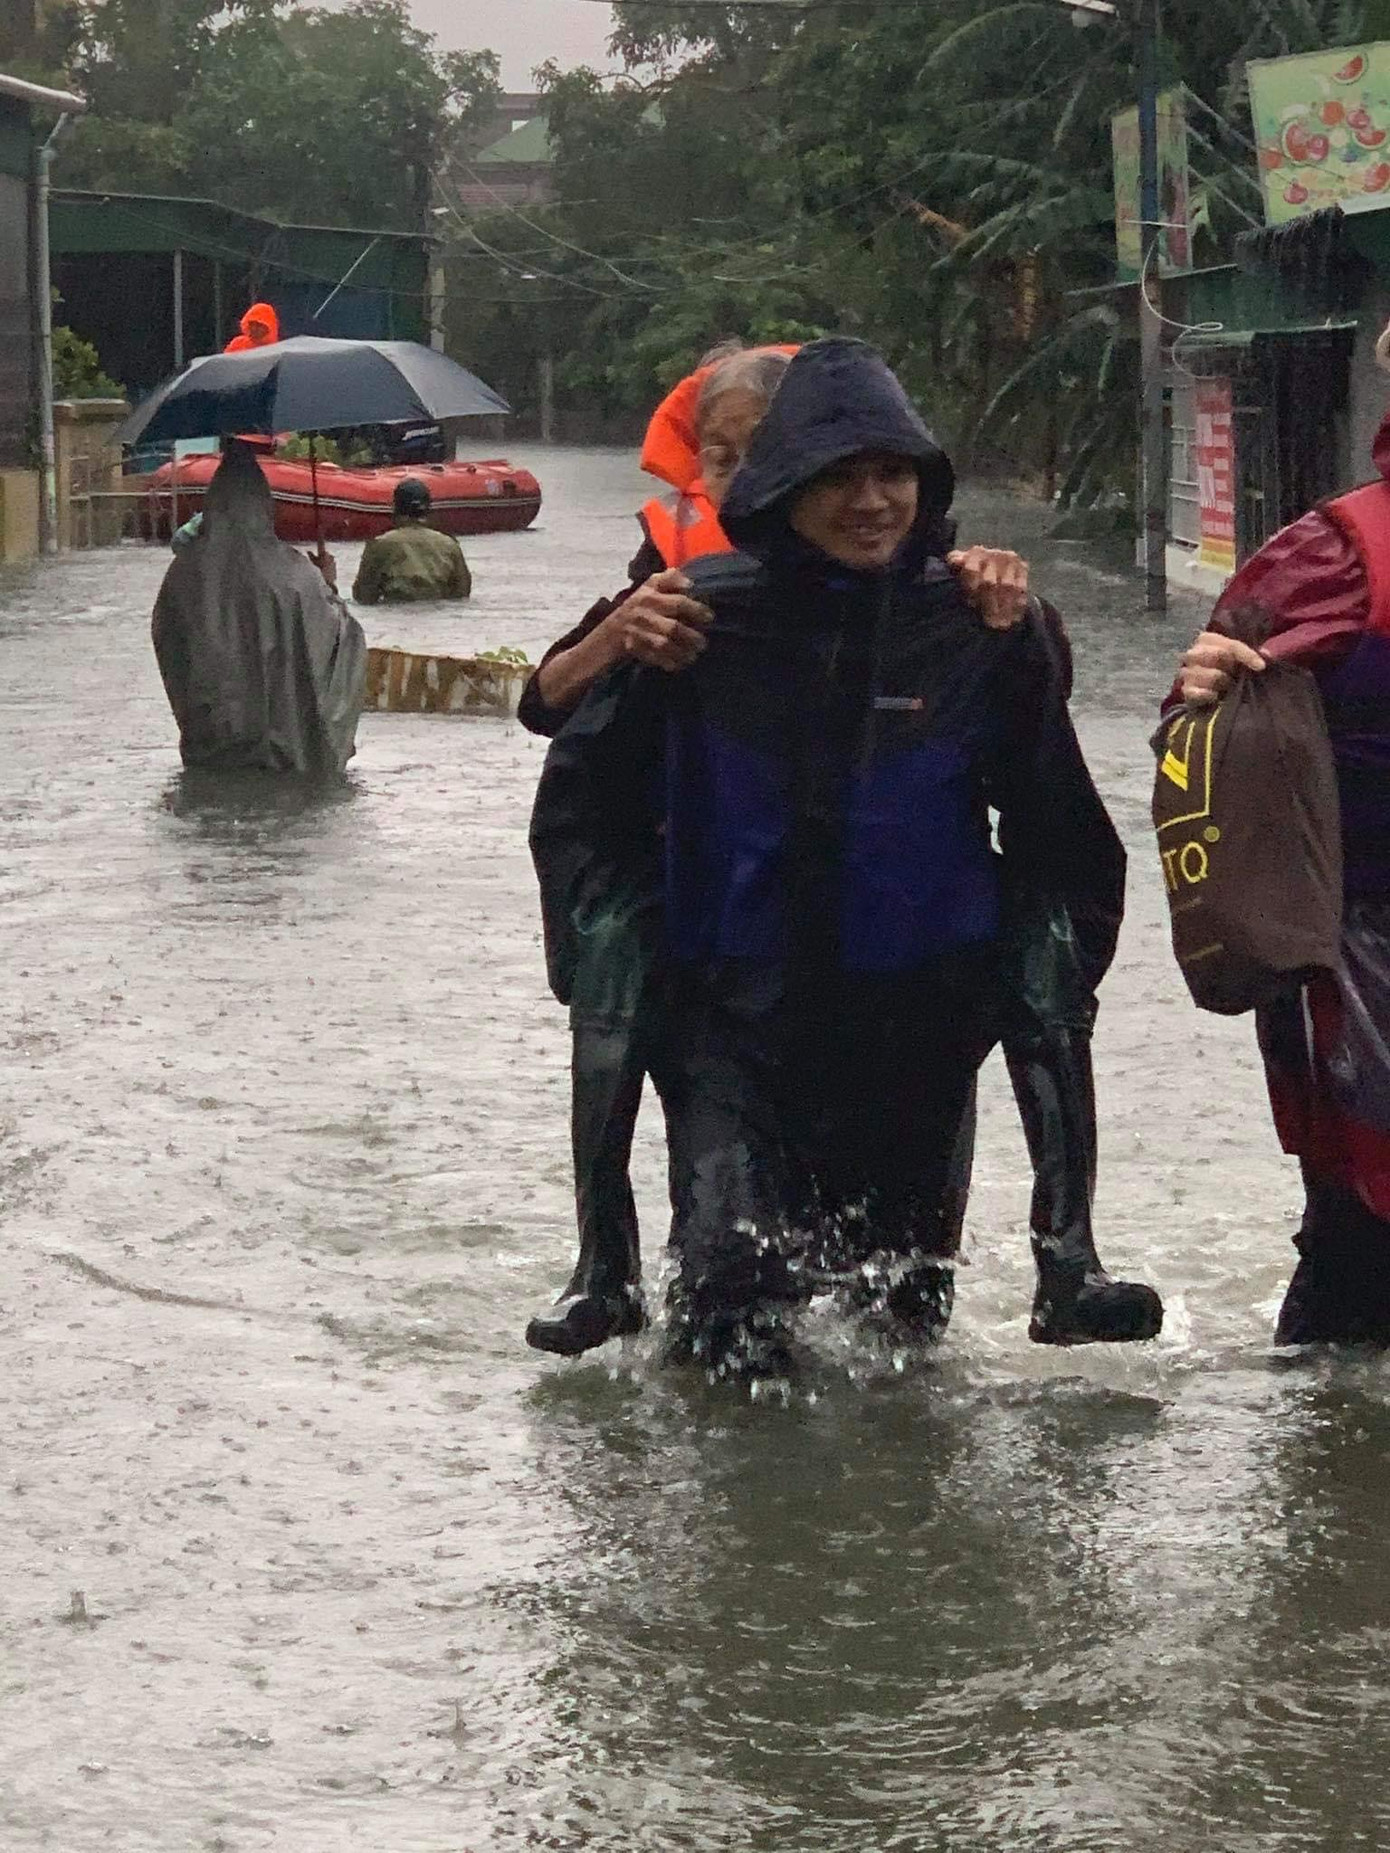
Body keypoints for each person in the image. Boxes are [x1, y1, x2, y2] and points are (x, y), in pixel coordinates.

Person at [532, 338, 1154, 1376]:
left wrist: (1039, 963)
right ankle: (608, 1272)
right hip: (738, 1014)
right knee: (728, 1314)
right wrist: (625, 948)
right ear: (783, 485)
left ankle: (1066, 1263)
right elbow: (571, 777)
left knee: (905, 1328)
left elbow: (1058, 820)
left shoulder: (981, 619)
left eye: (891, 473)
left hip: (917, 1013)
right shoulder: (687, 616)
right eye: (838, 477)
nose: (870, 501)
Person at [1172, 363, 1390, 1345]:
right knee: (1360, 1236)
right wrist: (1211, 699)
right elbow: (1198, 734)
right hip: (1355, 957)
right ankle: (1322, 1477)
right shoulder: (1336, 552)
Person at [152, 440, 366, 776]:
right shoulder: (298, 575)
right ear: (266, 506)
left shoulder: (182, 574)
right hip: (288, 756)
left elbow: (171, 650)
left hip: (212, 754)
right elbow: (341, 647)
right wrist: (328, 587)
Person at [351, 479, 473, 605]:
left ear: (396, 508)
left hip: (395, 614)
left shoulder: (380, 544)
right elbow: (462, 593)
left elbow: (363, 595)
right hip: (439, 616)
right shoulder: (449, 544)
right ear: (428, 508)